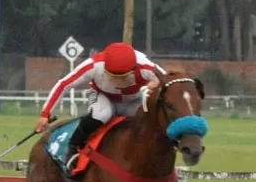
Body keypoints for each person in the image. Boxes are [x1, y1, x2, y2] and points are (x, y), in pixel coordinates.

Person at [35, 42, 165, 169]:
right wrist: (45, 114)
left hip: (133, 100)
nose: (118, 82)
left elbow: (170, 82)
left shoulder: (146, 66)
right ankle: (73, 146)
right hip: (102, 96)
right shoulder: (93, 65)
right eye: (113, 76)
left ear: (134, 68)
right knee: (103, 114)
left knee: (146, 118)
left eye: (124, 77)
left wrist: (156, 84)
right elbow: (64, 84)